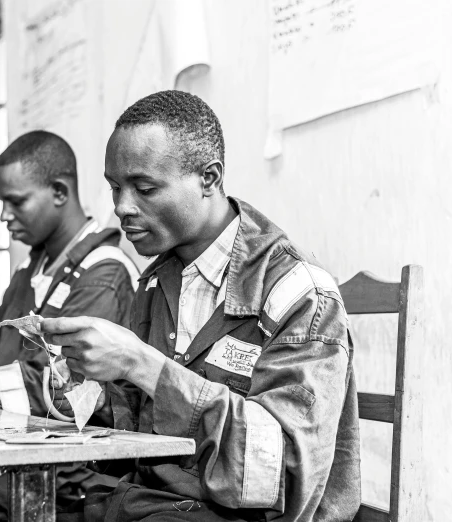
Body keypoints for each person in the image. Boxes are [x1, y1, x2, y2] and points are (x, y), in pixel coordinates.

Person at [41, 91, 361, 522]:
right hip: (155, 502)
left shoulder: (299, 294)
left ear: (209, 178)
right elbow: (145, 418)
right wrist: (87, 393)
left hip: (236, 515)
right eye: (115, 187)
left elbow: (280, 473)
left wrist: (143, 363)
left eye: (145, 188)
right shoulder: (158, 280)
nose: (121, 207)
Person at [0, 130, 139, 521]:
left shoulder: (104, 275)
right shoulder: (31, 270)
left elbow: (43, 388)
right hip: (21, 449)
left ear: (59, 192)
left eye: (15, 202)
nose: (2, 216)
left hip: (71, 471)